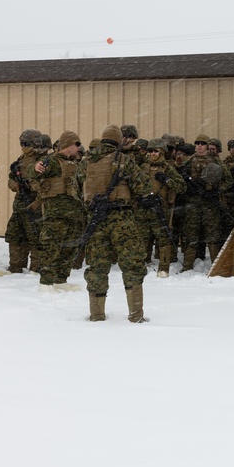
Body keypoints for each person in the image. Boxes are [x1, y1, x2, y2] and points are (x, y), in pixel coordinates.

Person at [81, 125, 153, 322]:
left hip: (96, 219)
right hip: (122, 218)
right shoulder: (123, 160)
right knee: (132, 264)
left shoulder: (86, 161)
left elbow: (76, 187)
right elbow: (143, 186)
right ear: (118, 141)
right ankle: (136, 315)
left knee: (97, 267)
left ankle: (96, 314)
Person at [25, 131, 87, 290]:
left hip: (73, 213)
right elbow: (34, 172)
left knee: (70, 247)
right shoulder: (52, 161)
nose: (79, 148)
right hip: (56, 213)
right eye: (77, 144)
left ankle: (61, 280)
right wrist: (36, 167)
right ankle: (46, 282)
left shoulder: (74, 163)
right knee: (52, 246)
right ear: (68, 145)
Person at [178, 133, 232, 270]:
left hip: (210, 204)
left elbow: (229, 180)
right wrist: (188, 188)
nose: (199, 146)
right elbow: (179, 177)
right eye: (197, 144)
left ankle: (216, 266)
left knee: (213, 236)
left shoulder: (216, 161)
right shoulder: (189, 161)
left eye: (202, 144)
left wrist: (216, 191)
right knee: (191, 234)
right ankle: (187, 266)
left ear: (207, 146)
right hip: (193, 203)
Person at [138, 137, 186, 278]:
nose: (153, 154)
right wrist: (141, 197)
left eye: (156, 151)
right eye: (151, 151)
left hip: (160, 210)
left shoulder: (167, 169)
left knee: (164, 240)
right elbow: (133, 184)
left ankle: (163, 268)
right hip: (143, 209)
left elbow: (182, 187)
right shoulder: (143, 168)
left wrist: (166, 180)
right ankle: (141, 264)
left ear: (162, 153)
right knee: (142, 239)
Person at [0, 129, 44, 275]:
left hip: (35, 204)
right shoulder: (20, 160)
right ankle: (16, 266)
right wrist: (16, 186)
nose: (23, 146)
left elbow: (47, 184)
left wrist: (31, 186)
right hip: (19, 205)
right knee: (15, 235)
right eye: (22, 143)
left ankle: (36, 268)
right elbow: (11, 179)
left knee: (36, 237)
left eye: (27, 144)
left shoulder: (43, 161)